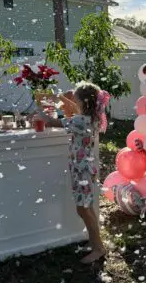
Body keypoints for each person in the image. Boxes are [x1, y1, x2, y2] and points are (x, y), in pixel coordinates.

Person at [35, 82, 110, 264]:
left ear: (83, 102)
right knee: (87, 207)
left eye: (76, 99)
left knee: (83, 209)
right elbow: (71, 108)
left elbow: (53, 121)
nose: (73, 101)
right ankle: (95, 243)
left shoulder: (80, 121)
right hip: (85, 168)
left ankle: (99, 248)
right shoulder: (91, 118)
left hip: (82, 170)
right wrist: (64, 97)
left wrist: (40, 111)